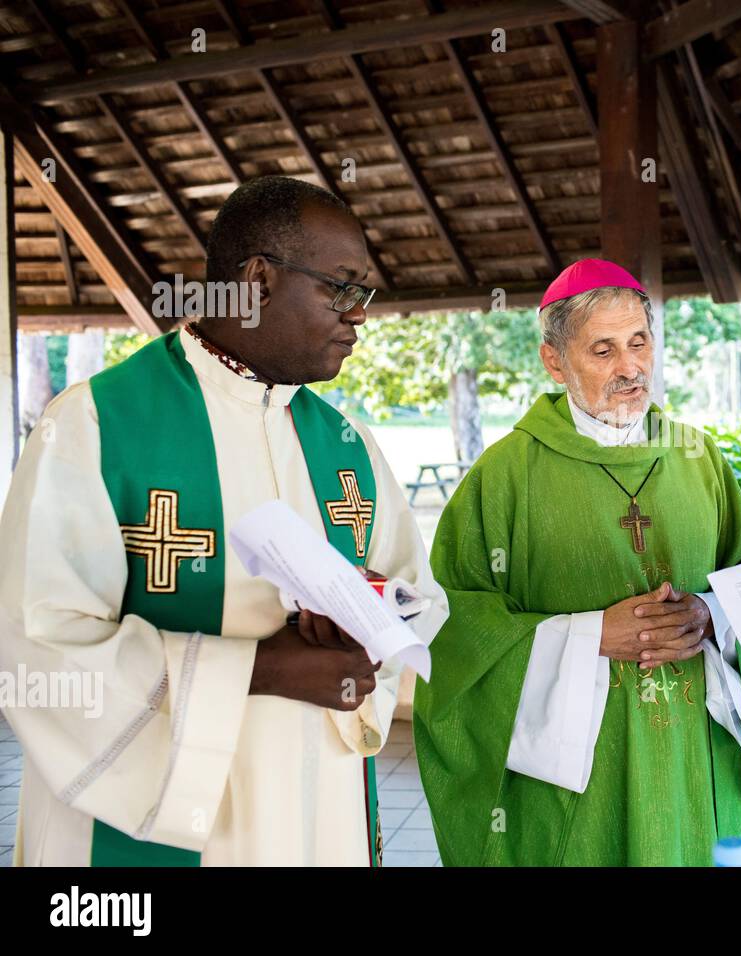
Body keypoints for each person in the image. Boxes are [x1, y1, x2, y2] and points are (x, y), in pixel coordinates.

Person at [0, 175, 447, 865]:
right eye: (343, 287)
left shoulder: (347, 444)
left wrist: (374, 617)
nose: (360, 314)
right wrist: (258, 670)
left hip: (316, 818)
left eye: (365, 293)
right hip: (165, 826)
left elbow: (418, 593)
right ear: (259, 279)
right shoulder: (94, 425)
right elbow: (38, 650)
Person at [413, 258, 741, 865]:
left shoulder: (697, 458)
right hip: (570, 776)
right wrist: (589, 634)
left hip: (685, 753)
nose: (630, 368)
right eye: (603, 350)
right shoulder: (504, 476)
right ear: (555, 361)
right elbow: (449, 628)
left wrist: (709, 614)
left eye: (638, 343)